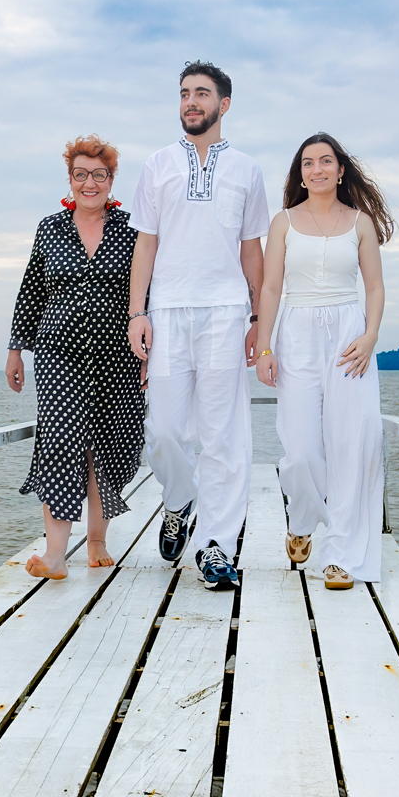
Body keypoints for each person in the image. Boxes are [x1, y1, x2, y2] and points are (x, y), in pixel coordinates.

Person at [126, 62, 272, 591]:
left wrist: (258, 317)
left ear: (224, 104)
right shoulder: (158, 165)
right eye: (185, 93)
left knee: (223, 436)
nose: (191, 101)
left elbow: (251, 247)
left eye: (202, 93)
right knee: (164, 432)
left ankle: (216, 547)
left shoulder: (247, 170)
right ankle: (179, 499)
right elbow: (146, 242)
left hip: (227, 314)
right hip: (166, 311)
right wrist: (136, 312)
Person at [253, 133, 391, 591]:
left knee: (355, 444)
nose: (317, 169)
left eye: (325, 161)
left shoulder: (360, 222)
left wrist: (370, 336)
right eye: (308, 163)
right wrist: (266, 347)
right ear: (300, 173)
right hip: (295, 335)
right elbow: (270, 288)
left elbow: (373, 286)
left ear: (340, 169)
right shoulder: (284, 222)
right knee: (301, 450)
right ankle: (302, 518)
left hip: (349, 340)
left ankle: (341, 556)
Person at [8, 136, 147, 579]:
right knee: (61, 440)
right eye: (81, 174)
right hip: (58, 353)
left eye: (99, 174)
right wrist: (16, 349)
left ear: (112, 179)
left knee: (106, 444)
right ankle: (54, 554)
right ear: (70, 179)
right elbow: (31, 291)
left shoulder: (132, 228)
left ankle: (98, 540)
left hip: (117, 355)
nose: (90, 183)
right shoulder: (50, 228)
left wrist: (149, 350)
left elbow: (148, 292)